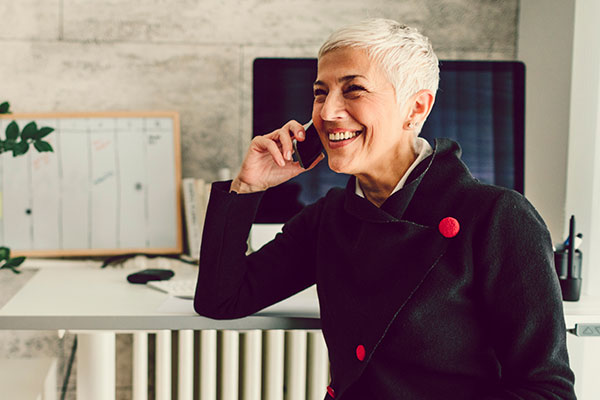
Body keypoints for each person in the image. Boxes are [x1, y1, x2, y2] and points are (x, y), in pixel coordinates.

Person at [194, 18, 576, 399]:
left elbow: (547, 391)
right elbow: (221, 299)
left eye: (354, 90)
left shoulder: (498, 217)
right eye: (320, 92)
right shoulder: (330, 218)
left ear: (416, 107)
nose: (327, 113)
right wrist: (247, 187)